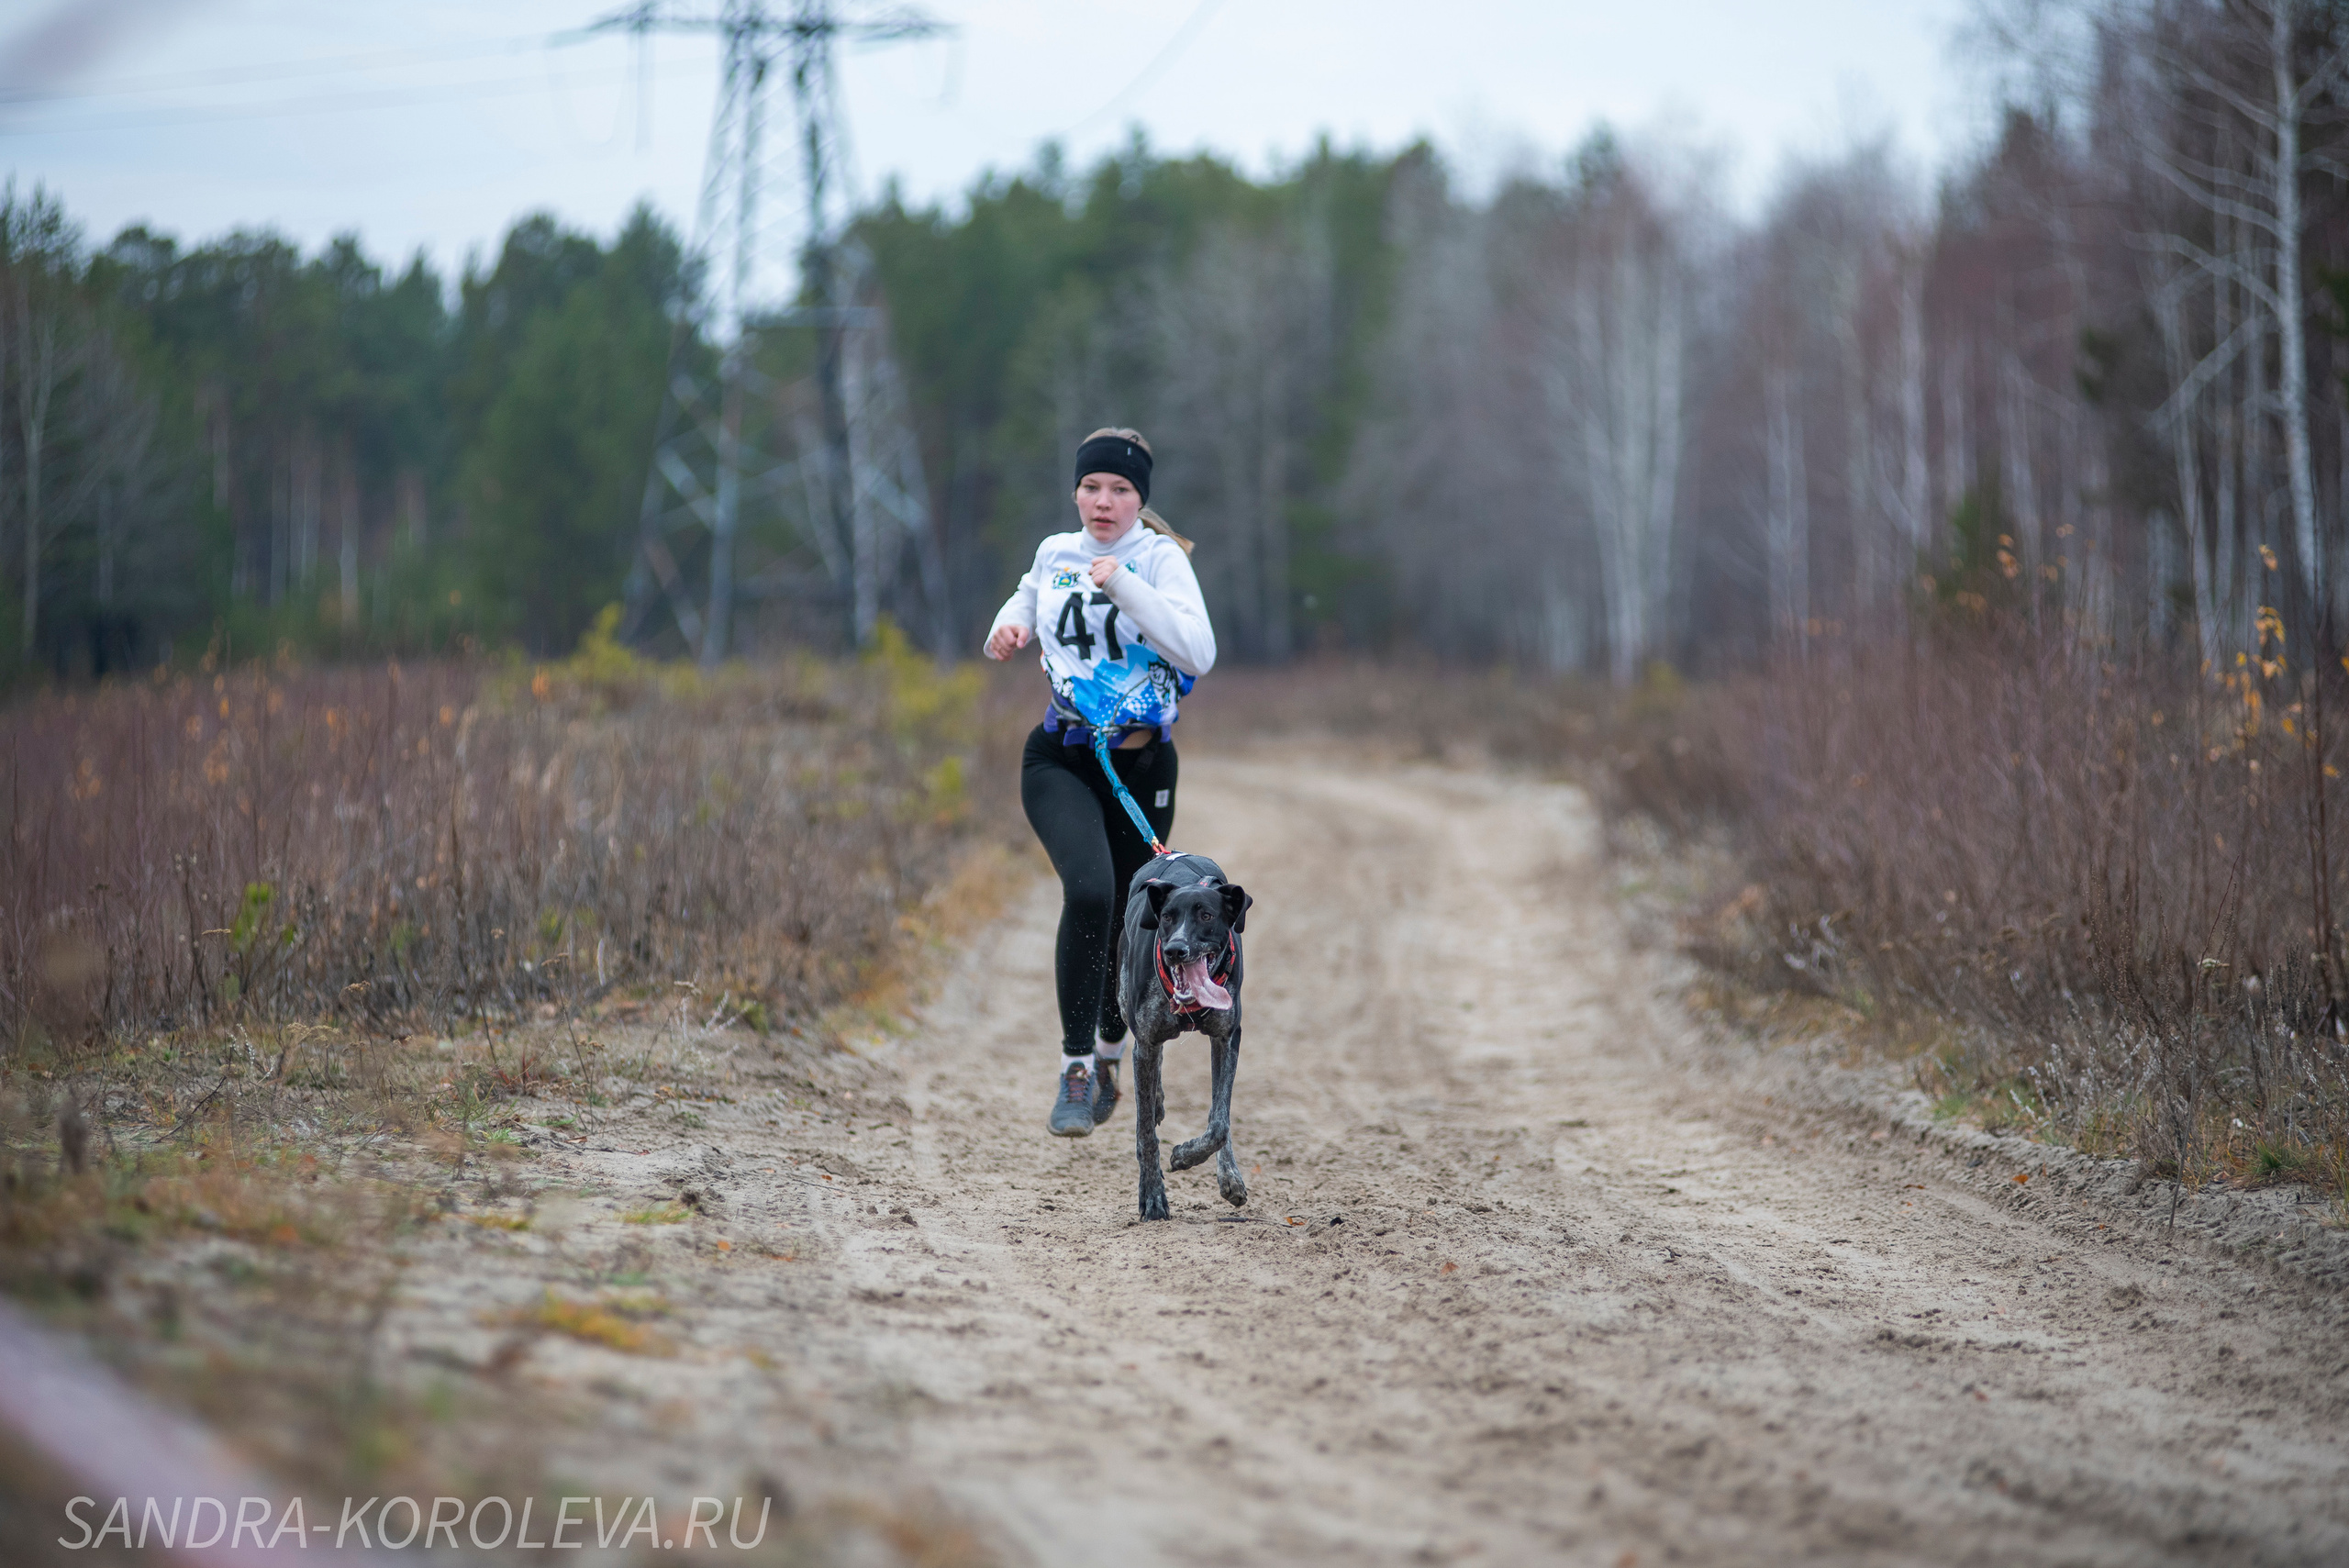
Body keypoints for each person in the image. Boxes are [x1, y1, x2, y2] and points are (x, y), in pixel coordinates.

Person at [985, 428, 1217, 1136]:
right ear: (1076, 493)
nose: (1103, 501)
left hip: (1143, 765)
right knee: (1090, 891)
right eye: (1091, 487)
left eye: (1119, 489)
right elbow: (1029, 595)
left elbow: (1198, 652)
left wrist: (1123, 583)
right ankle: (1076, 1067)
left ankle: (1113, 1053)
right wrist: (1008, 626)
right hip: (1060, 756)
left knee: (1131, 913)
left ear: (1140, 498)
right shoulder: (1055, 552)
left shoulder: (1160, 560)